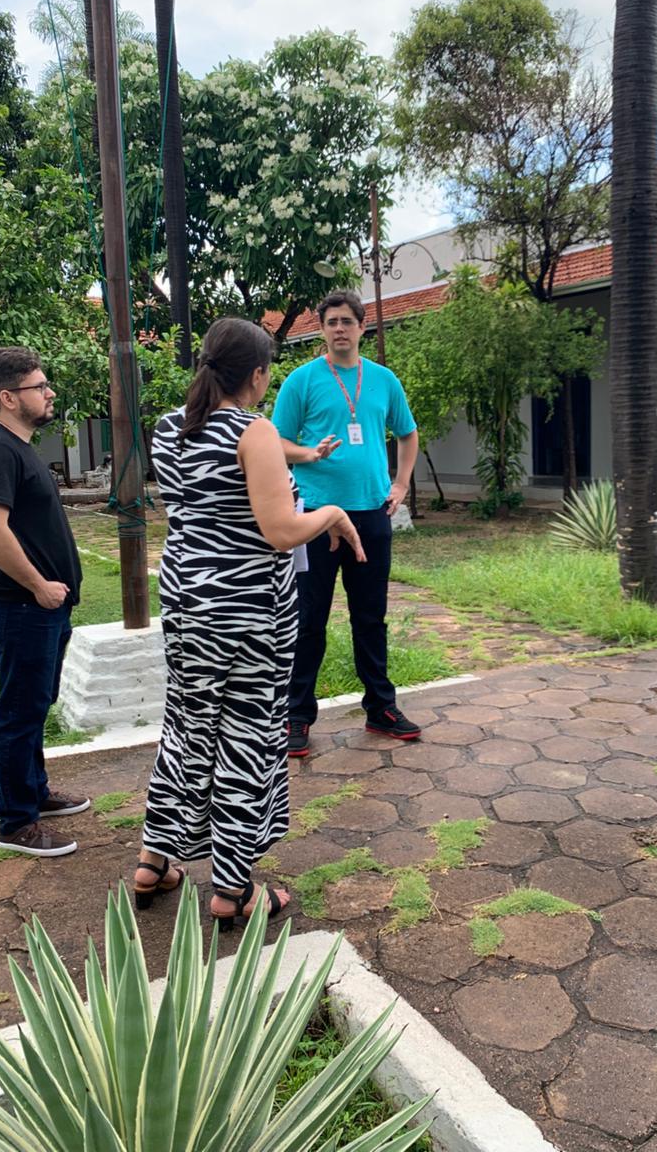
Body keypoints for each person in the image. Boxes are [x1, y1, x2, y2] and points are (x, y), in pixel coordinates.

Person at [135, 318, 365, 928]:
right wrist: (332, 513)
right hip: (248, 613)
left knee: (185, 728)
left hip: (186, 601)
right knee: (247, 741)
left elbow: (206, 510)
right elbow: (280, 530)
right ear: (258, 375)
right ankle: (233, 891)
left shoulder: (168, 429)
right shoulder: (253, 430)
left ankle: (154, 860)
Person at [272, 289, 421, 757]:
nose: (339, 328)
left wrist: (400, 486)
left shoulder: (383, 381)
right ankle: (297, 716)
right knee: (309, 619)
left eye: (347, 321)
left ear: (362, 328)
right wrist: (309, 453)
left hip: (371, 513)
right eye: (331, 321)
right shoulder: (302, 381)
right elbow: (275, 443)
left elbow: (408, 433)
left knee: (370, 617)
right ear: (322, 328)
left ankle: (381, 707)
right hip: (315, 518)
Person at [0, 348, 88, 858]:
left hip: (42, 609)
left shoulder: (19, 447)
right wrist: (38, 585)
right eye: (40, 386)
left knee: (34, 705)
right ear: (8, 397)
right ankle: (15, 823)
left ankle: (35, 791)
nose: (49, 391)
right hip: (22, 607)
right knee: (18, 711)